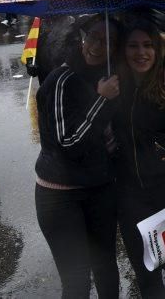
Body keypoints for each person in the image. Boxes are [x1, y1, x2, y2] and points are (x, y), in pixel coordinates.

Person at [34, 15, 121, 298]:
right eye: (93, 36)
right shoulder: (61, 80)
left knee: (107, 268)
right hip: (61, 196)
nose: (97, 45)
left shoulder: (111, 76)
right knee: (76, 280)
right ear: (82, 36)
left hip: (100, 190)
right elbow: (69, 144)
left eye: (108, 41)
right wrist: (102, 101)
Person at [112, 19, 165, 298]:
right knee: (145, 267)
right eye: (133, 46)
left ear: (159, 47)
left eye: (148, 45)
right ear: (122, 50)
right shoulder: (115, 84)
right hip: (130, 194)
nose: (141, 53)